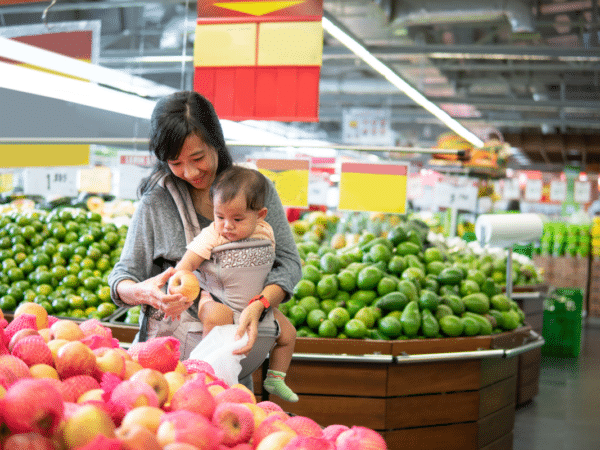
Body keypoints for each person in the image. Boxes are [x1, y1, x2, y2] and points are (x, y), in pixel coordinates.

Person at [108, 91, 302, 391]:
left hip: (233, 367)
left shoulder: (255, 190)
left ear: (215, 140)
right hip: (164, 372)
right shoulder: (157, 201)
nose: (190, 172)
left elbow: (288, 263)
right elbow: (122, 277)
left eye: (197, 158)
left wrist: (259, 305)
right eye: (176, 162)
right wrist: (142, 292)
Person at [172, 165, 298, 402]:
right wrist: (181, 281)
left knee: (288, 334)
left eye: (237, 219)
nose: (227, 225)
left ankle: (276, 378)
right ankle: (207, 372)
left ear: (260, 215)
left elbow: (288, 263)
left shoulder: (266, 231)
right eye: (220, 217)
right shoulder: (213, 235)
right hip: (220, 298)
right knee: (216, 319)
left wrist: (264, 302)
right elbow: (185, 265)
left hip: (255, 303)